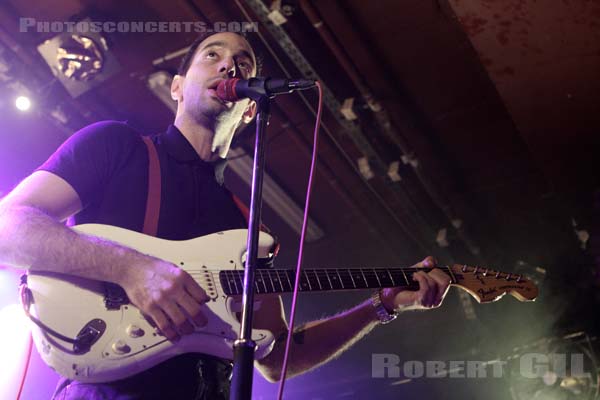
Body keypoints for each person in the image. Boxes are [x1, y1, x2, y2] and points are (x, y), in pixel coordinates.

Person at [0, 31, 452, 399]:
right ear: (177, 86)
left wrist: (381, 305)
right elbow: (8, 227)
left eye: (244, 62)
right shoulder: (115, 146)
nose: (229, 65)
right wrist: (131, 268)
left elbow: (277, 359)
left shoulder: (247, 228)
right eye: (212, 55)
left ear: (252, 107)